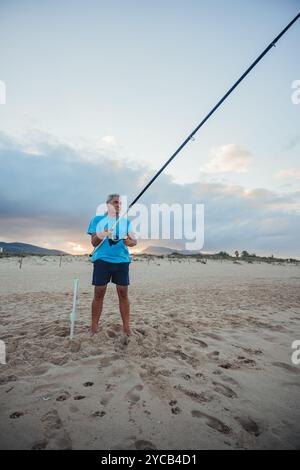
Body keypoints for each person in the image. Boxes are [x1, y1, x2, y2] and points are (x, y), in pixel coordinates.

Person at [87, 194, 137, 336]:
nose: (118, 205)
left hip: (121, 260)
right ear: (108, 204)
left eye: (120, 203)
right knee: (99, 292)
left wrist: (130, 242)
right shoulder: (97, 220)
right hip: (102, 260)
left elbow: (134, 241)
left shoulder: (126, 222)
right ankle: (94, 327)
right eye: (115, 202)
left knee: (123, 293)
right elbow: (94, 242)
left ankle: (127, 327)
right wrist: (102, 233)